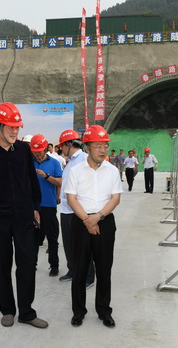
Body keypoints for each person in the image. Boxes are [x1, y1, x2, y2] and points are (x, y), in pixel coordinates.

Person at [0, 102, 48, 329]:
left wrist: (35, 207)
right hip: (0, 220)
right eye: (10, 127)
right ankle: (7, 310)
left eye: (17, 127)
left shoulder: (24, 149)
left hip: (24, 217)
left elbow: (32, 179)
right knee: (3, 266)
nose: (15, 131)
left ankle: (26, 312)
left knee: (27, 264)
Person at [64, 125, 122, 328]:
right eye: (98, 146)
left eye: (105, 146)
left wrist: (98, 217)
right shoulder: (75, 170)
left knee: (104, 269)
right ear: (87, 148)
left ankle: (104, 311)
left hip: (105, 221)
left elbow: (115, 198)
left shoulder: (112, 170)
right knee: (79, 269)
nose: (103, 150)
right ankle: (78, 311)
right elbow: (71, 198)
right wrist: (88, 221)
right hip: (81, 223)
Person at [57, 129, 95, 288]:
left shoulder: (84, 159)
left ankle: (88, 276)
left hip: (77, 210)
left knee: (82, 245)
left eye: (62, 147)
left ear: (68, 144)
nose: (61, 150)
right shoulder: (70, 161)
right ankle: (73, 270)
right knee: (69, 244)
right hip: (66, 209)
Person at [30, 134, 62, 277]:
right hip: (33, 206)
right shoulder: (29, 163)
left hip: (48, 205)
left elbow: (59, 182)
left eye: (39, 151)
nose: (37, 154)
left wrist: (46, 176)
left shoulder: (54, 163)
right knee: (33, 238)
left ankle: (54, 265)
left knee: (52, 237)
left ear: (45, 149)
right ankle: (32, 264)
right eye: (34, 151)